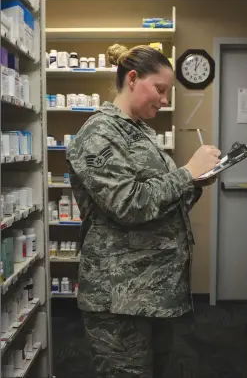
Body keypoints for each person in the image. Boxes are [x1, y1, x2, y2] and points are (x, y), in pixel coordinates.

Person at [66, 43, 221, 378]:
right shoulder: (100, 133)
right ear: (133, 79)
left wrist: (195, 183)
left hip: (152, 291)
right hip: (118, 297)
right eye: (160, 89)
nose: (164, 100)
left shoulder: (139, 132)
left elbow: (160, 203)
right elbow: (129, 204)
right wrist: (186, 173)